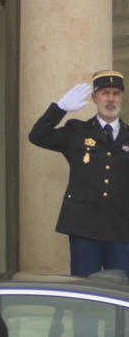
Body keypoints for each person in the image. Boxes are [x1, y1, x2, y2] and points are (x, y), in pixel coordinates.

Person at [29, 70, 129, 278]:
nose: (110, 99)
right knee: (85, 289)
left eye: (116, 93)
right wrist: (59, 109)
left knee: (122, 290)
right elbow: (38, 136)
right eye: (104, 93)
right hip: (84, 226)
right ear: (94, 98)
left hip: (121, 226)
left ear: (122, 97)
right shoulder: (77, 131)